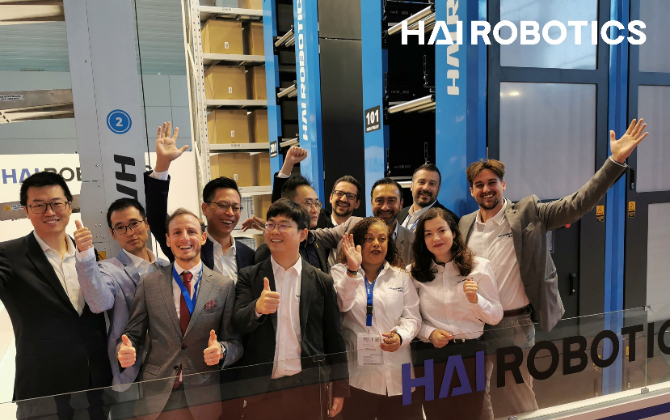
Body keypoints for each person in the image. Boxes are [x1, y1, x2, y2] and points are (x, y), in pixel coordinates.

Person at [458, 119, 649, 419]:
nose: (486, 189)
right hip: (475, 325)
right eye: (479, 185)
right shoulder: (464, 224)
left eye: (492, 182)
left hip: (513, 325)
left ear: (504, 185)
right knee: (476, 398)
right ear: (471, 191)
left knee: (518, 400)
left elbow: (578, 203)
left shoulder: (529, 213)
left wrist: (614, 162)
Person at [0, 172, 111, 419]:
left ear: (69, 206)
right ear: (26, 211)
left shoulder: (88, 254)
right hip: (43, 391)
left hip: (95, 387)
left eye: (56, 203)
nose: (50, 212)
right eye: (38, 205)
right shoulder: (8, 254)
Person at [118, 208, 243, 420]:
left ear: (203, 237)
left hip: (203, 394)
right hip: (157, 395)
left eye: (191, 232)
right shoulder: (149, 283)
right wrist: (124, 348)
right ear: (167, 240)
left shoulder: (224, 286)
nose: (184, 238)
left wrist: (222, 350)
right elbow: (132, 334)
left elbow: (235, 342)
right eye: (177, 232)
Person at [232, 199, 348, 420]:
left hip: (308, 389)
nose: (275, 231)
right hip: (262, 391)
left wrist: (340, 388)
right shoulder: (249, 276)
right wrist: (257, 308)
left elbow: (334, 337)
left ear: (302, 234)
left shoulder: (322, 280)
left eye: (284, 225)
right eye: (270, 224)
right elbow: (237, 322)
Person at [410, 208, 502, 420]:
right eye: (428, 234)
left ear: (453, 232)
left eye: (441, 230)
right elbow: (411, 319)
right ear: (422, 240)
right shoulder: (413, 273)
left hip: (470, 353)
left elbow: (496, 315)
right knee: (436, 414)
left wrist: (476, 300)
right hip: (432, 355)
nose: (436, 238)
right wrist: (430, 333)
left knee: (470, 414)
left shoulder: (479, 267)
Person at [331, 218, 423, 420]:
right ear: (358, 243)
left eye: (382, 239)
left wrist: (400, 336)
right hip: (358, 377)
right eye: (369, 238)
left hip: (399, 374)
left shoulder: (400, 276)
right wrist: (352, 271)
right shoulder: (340, 272)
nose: (376, 244)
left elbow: (413, 317)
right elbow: (340, 306)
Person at [75, 198, 169, 392]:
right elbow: (99, 303)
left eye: (134, 223)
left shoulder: (166, 267)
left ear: (146, 223)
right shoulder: (107, 269)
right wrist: (86, 256)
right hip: (133, 368)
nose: (130, 232)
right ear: (112, 233)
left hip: (172, 364)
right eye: (120, 228)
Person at [144, 122, 255, 279]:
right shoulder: (188, 244)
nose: (230, 213)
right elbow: (157, 217)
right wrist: (162, 164)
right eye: (223, 205)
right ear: (205, 208)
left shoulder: (249, 255)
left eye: (236, 207)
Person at [270, 146, 333, 228]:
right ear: (290, 206)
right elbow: (279, 206)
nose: (315, 210)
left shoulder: (326, 226)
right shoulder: (281, 232)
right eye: (308, 203)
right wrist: (289, 163)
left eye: (317, 204)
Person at [398, 164, 459, 232]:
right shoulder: (401, 213)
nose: (426, 188)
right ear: (411, 186)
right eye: (422, 182)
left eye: (432, 183)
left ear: (438, 189)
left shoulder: (449, 220)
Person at [370, 178, 415, 264]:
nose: (385, 207)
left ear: (401, 204)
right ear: (372, 203)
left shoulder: (413, 242)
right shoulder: (359, 239)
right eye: (379, 201)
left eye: (391, 201)